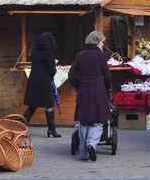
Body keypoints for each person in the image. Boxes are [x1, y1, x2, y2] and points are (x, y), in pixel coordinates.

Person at [69, 31, 112, 162]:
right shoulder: (100, 57)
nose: (102, 45)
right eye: (101, 42)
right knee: (98, 122)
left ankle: (83, 153)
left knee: (84, 122)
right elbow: (107, 76)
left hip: (84, 90)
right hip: (98, 90)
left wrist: (78, 86)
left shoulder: (80, 55)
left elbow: (71, 75)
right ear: (97, 42)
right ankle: (92, 144)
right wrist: (107, 89)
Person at [23, 32, 61, 138]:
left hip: (33, 81)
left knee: (32, 105)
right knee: (49, 105)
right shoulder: (48, 53)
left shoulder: (35, 52)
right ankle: (52, 130)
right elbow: (52, 70)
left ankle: (20, 127)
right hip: (44, 82)